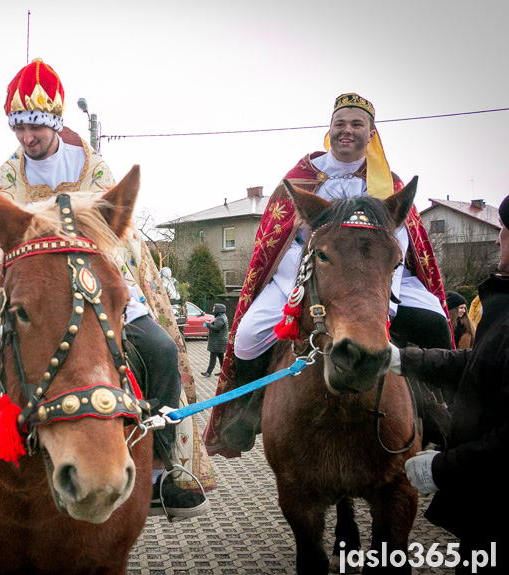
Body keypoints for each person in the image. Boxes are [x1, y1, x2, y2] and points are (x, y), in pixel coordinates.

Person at [0, 59, 209, 519]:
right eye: (18, 129)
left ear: (55, 122)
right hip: (19, 270)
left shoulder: (93, 166)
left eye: (34, 127)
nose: (26, 138)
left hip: (91, 270)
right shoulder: (7, 172)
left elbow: (116, 233)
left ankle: (159, 466)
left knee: (157, 347)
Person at [204, 93, 453, 456]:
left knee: (436, 320)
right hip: (304, 276)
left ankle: (441, 413)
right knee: (246, 336)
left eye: (356, 124)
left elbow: (400, 241)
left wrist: (387, 298)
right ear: (329, 130)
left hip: (382, 278)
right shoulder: (301, 179)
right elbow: (281, 242)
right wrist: (307, 280)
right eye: (340, 124)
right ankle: (249, 409)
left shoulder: (389, 183)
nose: (347, 131)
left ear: (371, 133)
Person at [397, 194, 509, 574]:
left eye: (505, 232)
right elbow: (475, 363)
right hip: (486, 508)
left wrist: (442, 468)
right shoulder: (504, 304)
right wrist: (401, 359)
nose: (498, 240)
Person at [201, 304, 228, 377]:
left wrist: (208, 324)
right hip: (220, 341)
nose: (213, 310)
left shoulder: (220, 318)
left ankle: (208, 372)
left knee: (213, 357)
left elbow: (216, 328)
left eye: (214, 309)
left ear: (218, 310)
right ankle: (223, 372)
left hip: (217, 342)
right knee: (221, 357)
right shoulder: (222, 317)